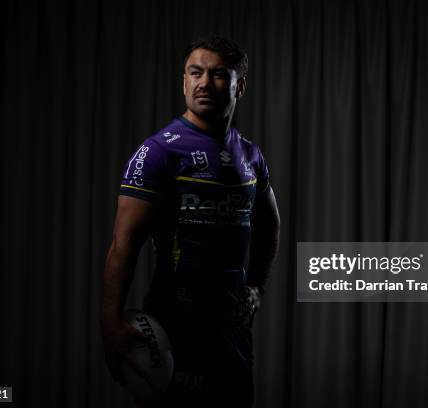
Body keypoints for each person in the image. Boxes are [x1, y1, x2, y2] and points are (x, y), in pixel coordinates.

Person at [100, 36, 280, 408]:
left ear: (238, 86)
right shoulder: (159, 151)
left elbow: (270, 224)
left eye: (217, 75)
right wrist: (110, 322)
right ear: (184, 81)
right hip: (175, 324)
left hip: (232, 330)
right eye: (195, 73)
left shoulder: (250, 155)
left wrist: (257, 286)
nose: (204, 82)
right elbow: (124, 244)